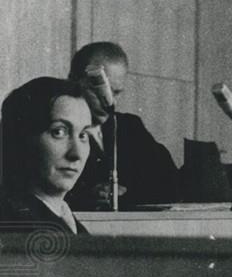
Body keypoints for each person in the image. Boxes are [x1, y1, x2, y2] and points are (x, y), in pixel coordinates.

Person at [65, 41, 179, 210]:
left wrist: (126, 194)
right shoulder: (56, 132)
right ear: (73, 81)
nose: (109, 102)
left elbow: (171, 185)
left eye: (116, 92)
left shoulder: (130, 127)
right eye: (99, 91)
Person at [0, 76, 92, 233]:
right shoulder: (17, 228)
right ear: (21, 138)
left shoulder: (64, 220)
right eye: (59, 132)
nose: (76, 154)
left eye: (83, 135)